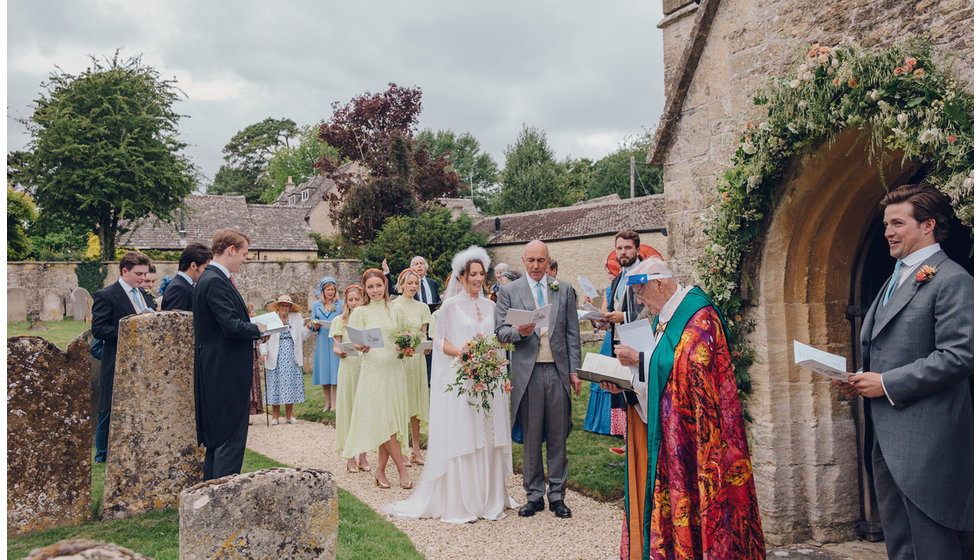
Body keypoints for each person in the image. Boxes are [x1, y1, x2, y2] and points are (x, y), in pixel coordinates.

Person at [836, 184, 973, 559]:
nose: (887, 232)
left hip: (930, 443)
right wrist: (862, 378)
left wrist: (887, 384)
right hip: (887, 440)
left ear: (928, 225)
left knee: (935, 548)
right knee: (901, 547)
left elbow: (960, 355)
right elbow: (894, 347)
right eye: (885, 224)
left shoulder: (953, 279)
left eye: (897, 223)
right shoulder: (896, 276)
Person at [601, 257, 764, 559]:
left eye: (641, 293)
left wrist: (640, 361)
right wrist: (625, 382)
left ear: (660, 284)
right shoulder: (664, 315)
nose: (638, 300)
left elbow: (694, 368)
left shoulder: (699, 315)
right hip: (672, 432)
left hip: (700, 436)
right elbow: (664, 371)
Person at [385, 246, 518, 523]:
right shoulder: (449, 306)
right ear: (461, 276)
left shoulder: (492, 306)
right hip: (462, 379)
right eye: (473, 274)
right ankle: (463, 499)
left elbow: (498, 338)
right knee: (466, 431)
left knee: (488, 431)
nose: (478, 279)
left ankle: (491, 497)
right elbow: (439, 341)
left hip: (488, 379)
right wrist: (464, 354)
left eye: (481, 274)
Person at [494, 240, 582, 519]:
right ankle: (534, 495)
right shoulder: (508, 291)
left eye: (540, 261)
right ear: (523, 261)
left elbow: (572, 334)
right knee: (531, 437)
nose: (535, 266)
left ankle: (557, 496)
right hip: (527, 373)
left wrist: (574, 371)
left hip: (557, 371)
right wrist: (519, 331)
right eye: (530, 260)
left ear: (548, 262)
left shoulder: (563, 289)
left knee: (558, 436)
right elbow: (499, 333)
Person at [193, 228, 266, 481]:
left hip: (219, 368)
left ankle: (210, 497)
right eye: (244, 253)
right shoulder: (214, 280)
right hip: (223, 371)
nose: (246, 259)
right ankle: (221, 499)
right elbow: (230, 325)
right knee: (228, 438)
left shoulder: (213, 278)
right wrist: (257, 329)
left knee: (220, 438)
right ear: (231, 250)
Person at [342, 269, 412, 490]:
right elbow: (352, 340)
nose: (375, 290)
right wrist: (359, 345)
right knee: (384, 420)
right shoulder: (360, 312)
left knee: (389, 420)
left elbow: (407, 334)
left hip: (394, 368)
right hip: (372, 370)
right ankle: (401, 469)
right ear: (366, 289)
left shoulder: (396, 309)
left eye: (378, 285)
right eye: (370, 287)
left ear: (385, 284)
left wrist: (406, 344)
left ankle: (380, 471)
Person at [91, 251, 153, 463]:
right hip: (116, 359)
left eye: (145, 274)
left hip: (141, 361)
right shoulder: (106, 295)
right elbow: (99, 329)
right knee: (108, 408)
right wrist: (130, 332)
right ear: (124, 271)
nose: (143, 278)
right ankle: (102, 455)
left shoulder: (143, 294)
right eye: (138, 273)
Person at [392, 268, 432, 465]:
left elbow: (424, 334)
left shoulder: (423, 307)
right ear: (402, 284)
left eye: (416, 283)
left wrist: (425, 346)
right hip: (401, 361)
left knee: (415, 405)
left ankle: (416, 449)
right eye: (410, 283)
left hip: (417, 361)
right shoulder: (394, 306)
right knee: (402, 404)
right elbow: (393, 335)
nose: (413, 286)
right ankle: (402, 449)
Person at [332, 285, 370, 474]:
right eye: (351, 300)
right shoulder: (340, 321)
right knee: (348, 410)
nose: (354, 303)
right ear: (346, 302)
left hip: (365, 368)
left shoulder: (366, 319)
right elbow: (336, 348)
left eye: (357, 299)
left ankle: (363, 455)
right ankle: (350, 456)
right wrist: (343, 352)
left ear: (363, 300)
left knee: (363, 411)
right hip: (348, 368)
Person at [259, 295, 311, 425]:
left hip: (291, 356)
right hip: (275, 355)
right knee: (275, 384)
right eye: (282, 305)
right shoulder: (272, 319)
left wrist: (309, 328)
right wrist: (264, 352)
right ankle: (275, 417)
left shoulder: (296, 318)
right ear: (278, 307)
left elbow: (302, 336)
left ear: (290, 307)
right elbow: (265, 338)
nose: (284, 308)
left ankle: (289, 415)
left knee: (290, 385)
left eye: (287, 305)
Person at [311, 276, 343, 412]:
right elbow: (313, 323)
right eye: (327, 290)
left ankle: (335, 403)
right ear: (323, 291)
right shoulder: (316, 305)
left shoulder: (340, 304)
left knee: (335, 371)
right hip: (323, 340)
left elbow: (345, 319)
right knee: (324, 372)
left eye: (332, 290)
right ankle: (327, 403)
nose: (330, 292)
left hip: (336, 339)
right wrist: (314, 325)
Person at [161, 243, 212, 312]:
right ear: (193, 266)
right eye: (206, 268)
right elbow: (174, 320)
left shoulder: (185, 285)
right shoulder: (178, 288)